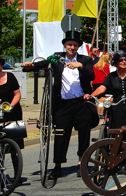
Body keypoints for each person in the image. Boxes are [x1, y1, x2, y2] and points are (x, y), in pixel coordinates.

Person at [24, 30, 97, 180]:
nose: (72, 47)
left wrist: (80, 66)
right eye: (69, 44)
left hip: (81, 103)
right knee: (61, 135)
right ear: (65, 45)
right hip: (63, 104)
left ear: (78, 47)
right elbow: (43, 63)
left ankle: (80, 163)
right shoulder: (57, 57)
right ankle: (57, 166)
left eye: (75, 45)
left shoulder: (85, 59)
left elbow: (91, 75)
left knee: (84, 134)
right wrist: (30, 65)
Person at [86, 51, 126, 130]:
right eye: (121, 60)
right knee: (117, 126)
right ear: (115, 62)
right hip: (117, 105)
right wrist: (91, 95)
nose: (124, 62)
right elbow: (102, 87)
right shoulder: (111, 76)